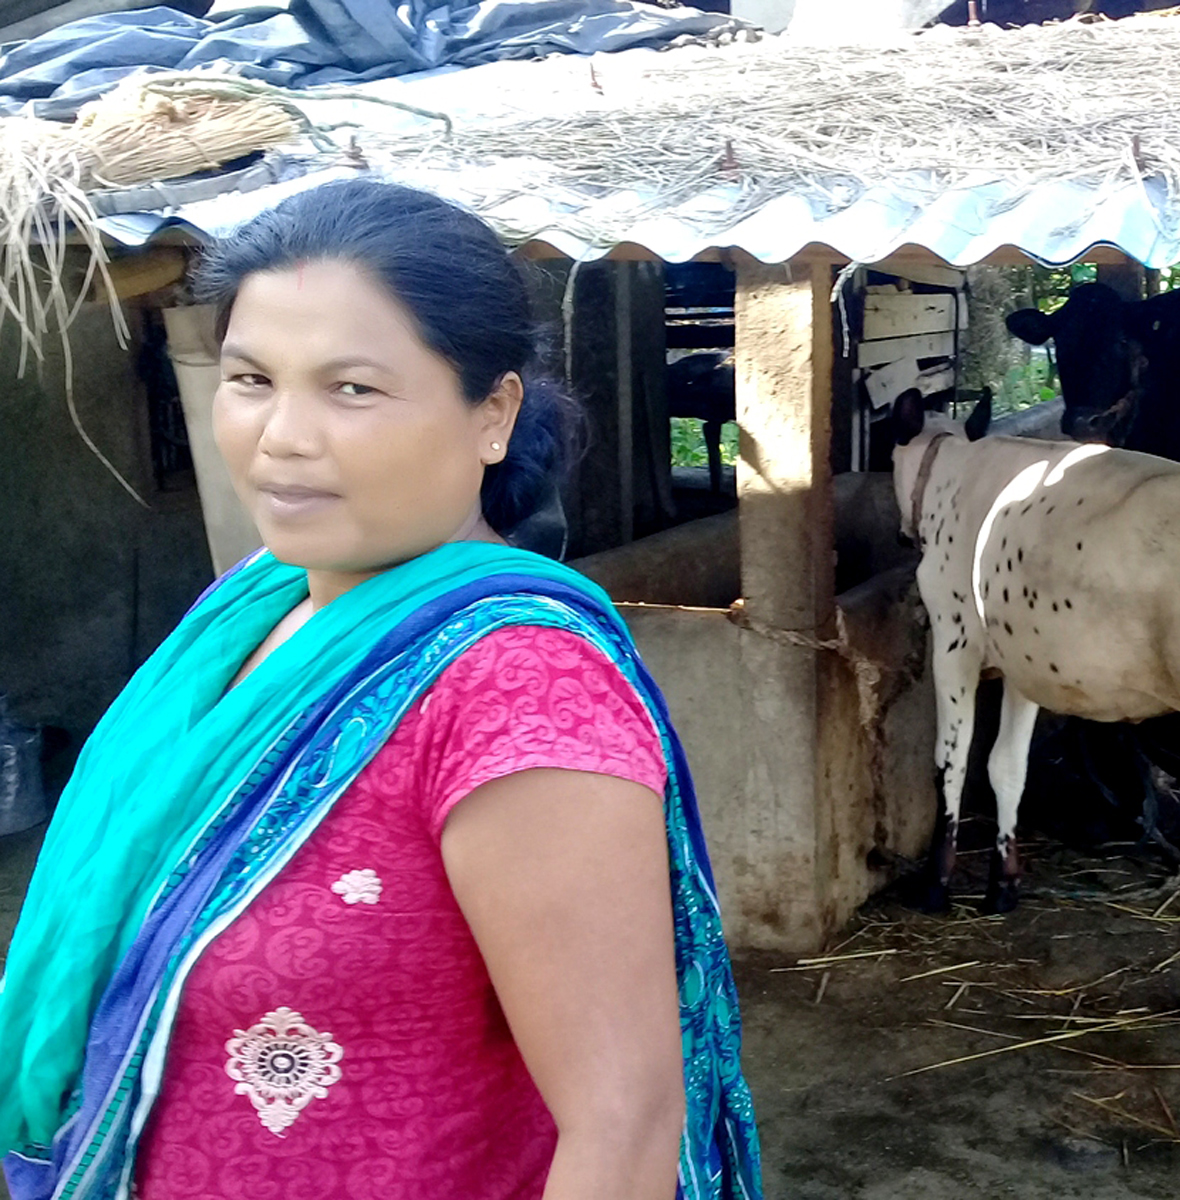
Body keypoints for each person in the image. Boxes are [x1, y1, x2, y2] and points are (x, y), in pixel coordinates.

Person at [0, 179, 761, 1200]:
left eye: (351, 389)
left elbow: (622, 1128)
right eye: (251, 378)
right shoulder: (252, 607)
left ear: (493, 413)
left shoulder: (517, 689)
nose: (281, 435)